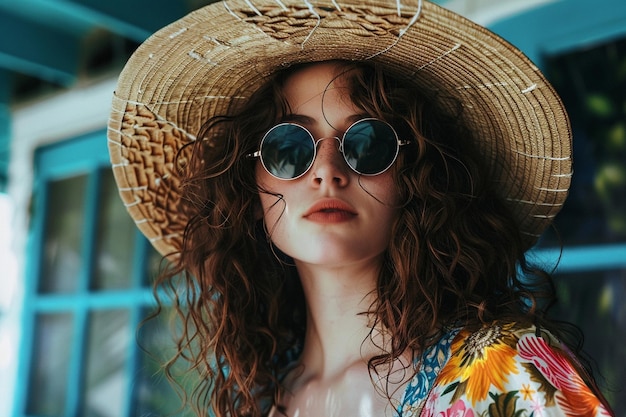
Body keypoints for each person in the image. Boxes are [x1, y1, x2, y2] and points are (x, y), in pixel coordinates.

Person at [107, 0, 615, 416]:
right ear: (250, 184)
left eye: (367, 143)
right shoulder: (259, 404)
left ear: (417, 180)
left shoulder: (506, 371)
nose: (327, 170)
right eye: (290, 146)